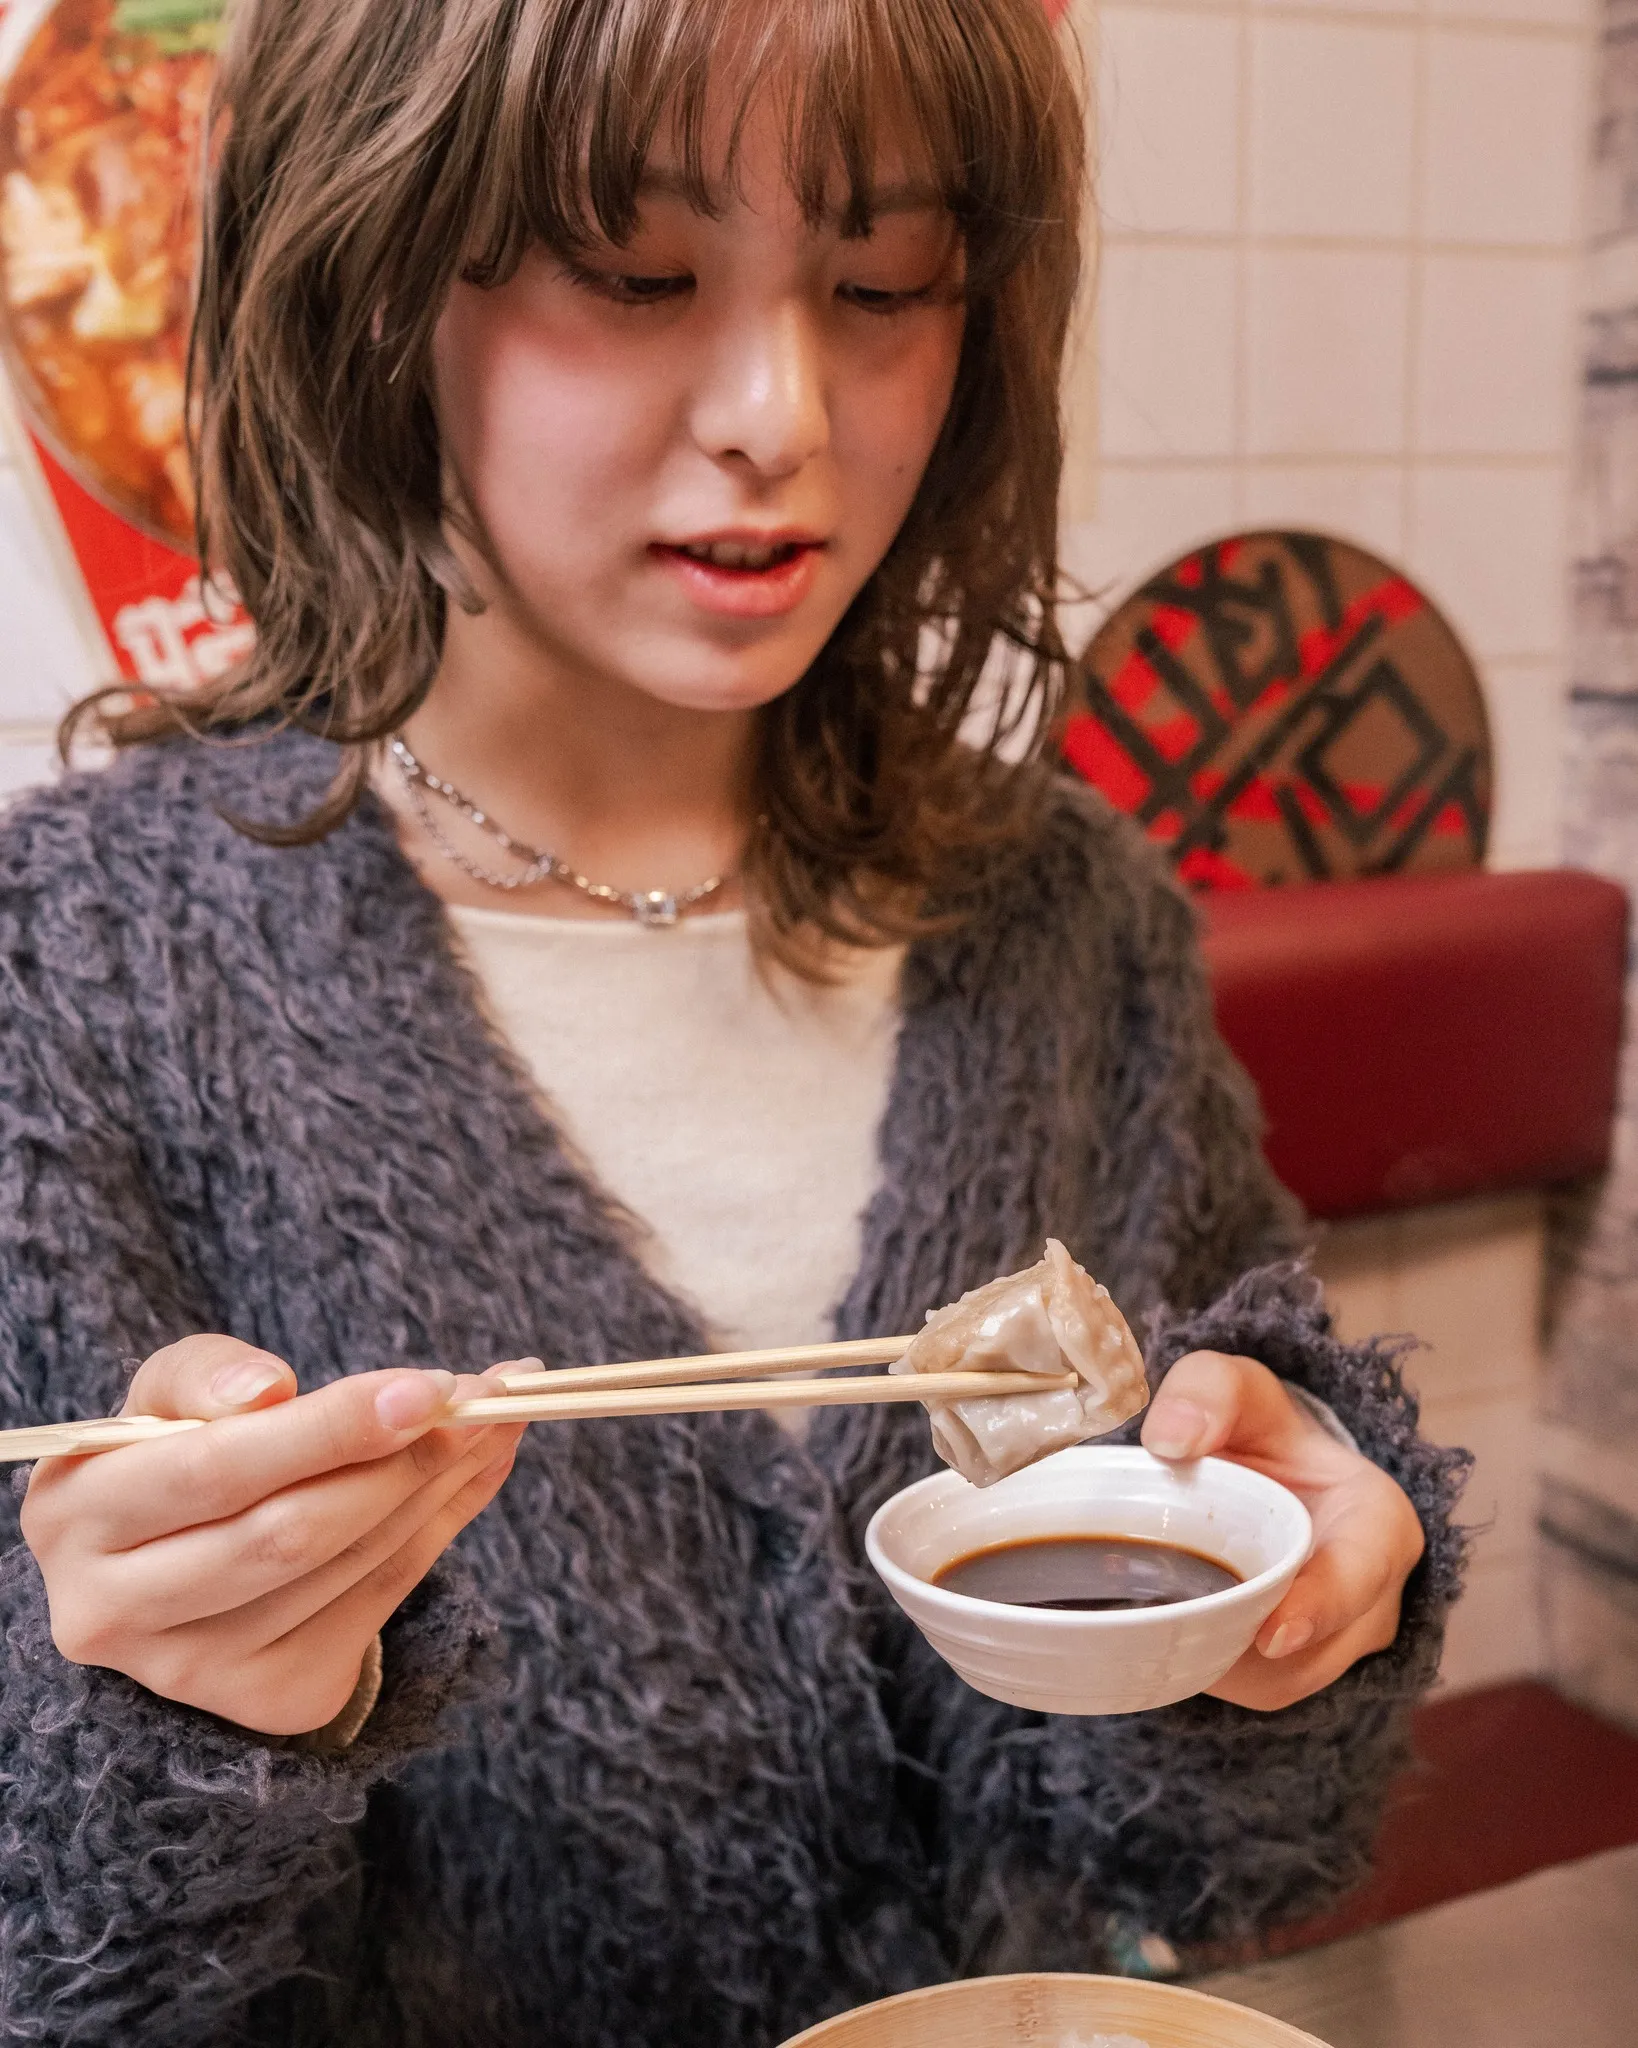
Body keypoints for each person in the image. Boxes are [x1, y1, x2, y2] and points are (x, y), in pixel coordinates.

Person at [0, 1, 1465, 2042]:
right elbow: (80, 1987)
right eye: (636, 273)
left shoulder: (1066, 927)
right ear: (373, 273)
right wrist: (187, 1723)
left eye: (881, 283)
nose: (783, 408)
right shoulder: (77, 970)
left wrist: (1290, 1615)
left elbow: (1225, 1862)